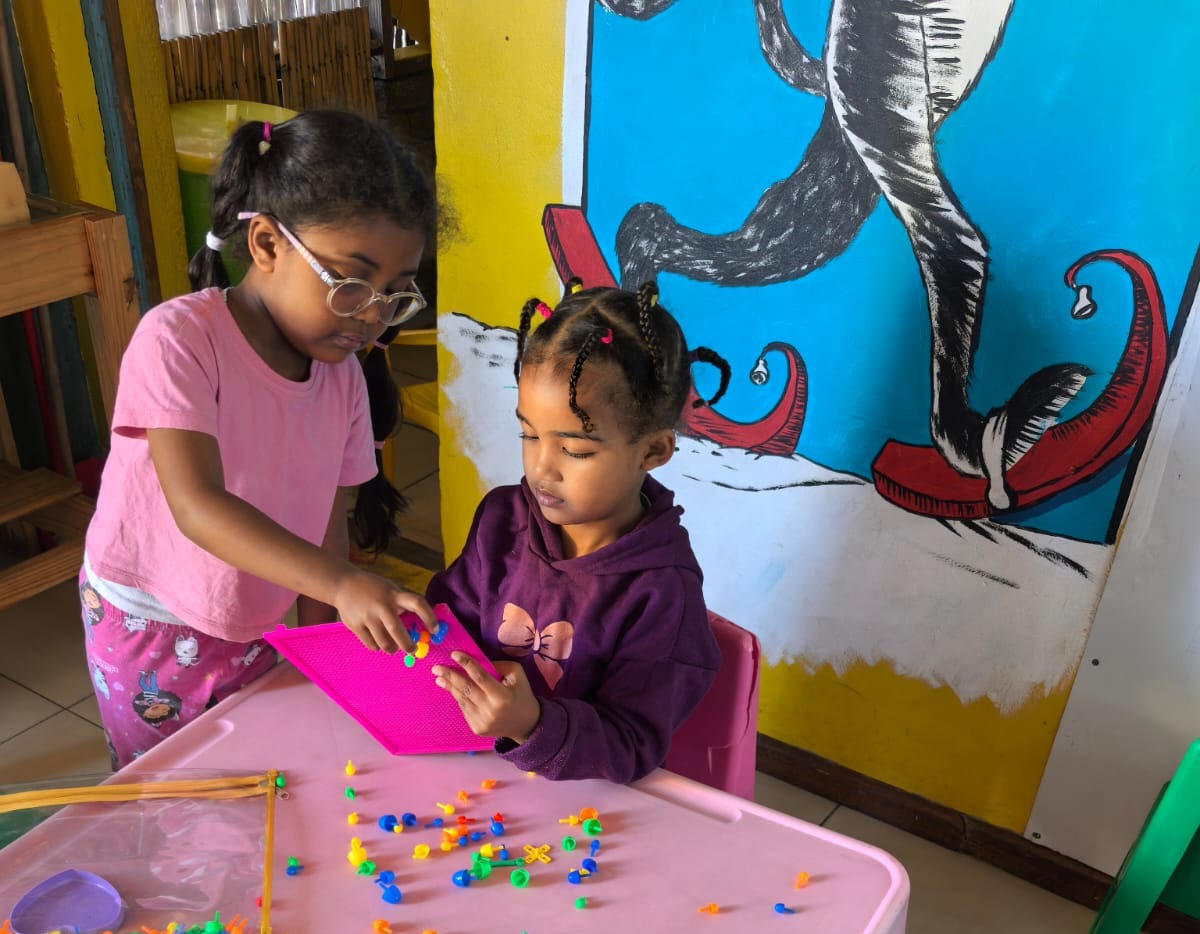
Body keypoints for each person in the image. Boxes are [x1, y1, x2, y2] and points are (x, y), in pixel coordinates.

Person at [81, 110, 441, 768]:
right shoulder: (179, 341)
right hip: (152, 621)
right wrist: (341, 584)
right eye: (350, 283)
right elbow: (197, 506)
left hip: (262, 615)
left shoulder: (343, 383)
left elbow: (325, 539)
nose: (371, 315)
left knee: (267, 778)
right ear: (269, 245)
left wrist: (331, 664)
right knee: (171, 790)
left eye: (393, 293)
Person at [428, 279, 731, 783]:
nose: (542, 468)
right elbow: (448, 630)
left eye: (576, 450)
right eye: (528, 434)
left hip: (587, 809)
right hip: (473, 779)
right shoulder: (503, 521)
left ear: (653, 451)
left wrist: (531, 723)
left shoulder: (661, 592)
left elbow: (633, 743)